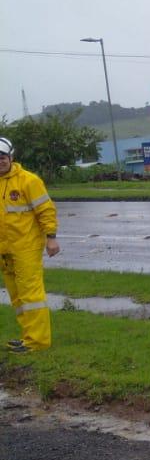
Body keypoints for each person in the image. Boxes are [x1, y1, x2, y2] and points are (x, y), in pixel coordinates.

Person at [0, 136, 59, 354]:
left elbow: (46, 210)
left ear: (11, 157)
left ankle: (38, 341)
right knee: (17, 296)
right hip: (4, 251)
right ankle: (27, 336)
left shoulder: (28, 181)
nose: (0, 161)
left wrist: (51, 237)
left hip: (26, 248)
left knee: (31, 295)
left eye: (2, 156)